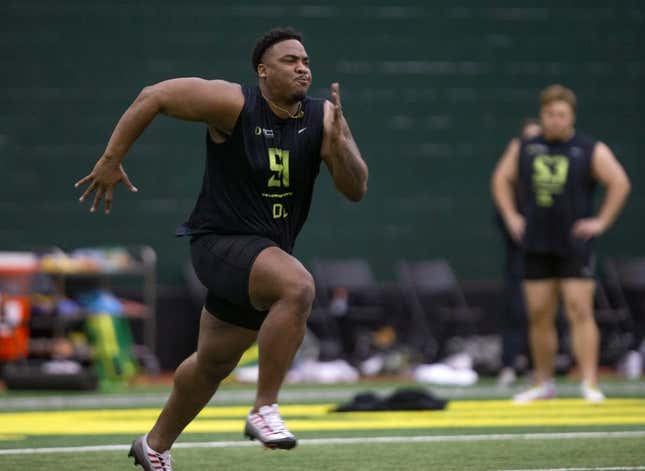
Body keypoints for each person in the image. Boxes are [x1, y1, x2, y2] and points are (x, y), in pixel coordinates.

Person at [75, 27, 368, 470]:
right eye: (290, 60)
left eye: (306, 60)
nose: (303, 67)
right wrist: (111, 159)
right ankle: (264, 408)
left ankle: (153, 446)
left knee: (212, 364)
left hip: (261, 258)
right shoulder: (234, 104)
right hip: (219, 244)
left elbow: (356, 189)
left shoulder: (324, 118)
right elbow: (153, 96)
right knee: (298, 287)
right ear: (263, 71)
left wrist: (342, 145)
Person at [491, 84, 630, 403]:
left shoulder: (588, 148)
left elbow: (620, 182)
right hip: (536, 242)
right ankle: (543, 382)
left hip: (573, 244)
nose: (555, 120)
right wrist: (511, 215)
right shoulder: (524, 147)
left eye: (561, 114)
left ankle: (590, 382)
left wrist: (601, 222)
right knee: (539, 312)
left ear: (572, 117)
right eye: (550, 114)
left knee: (579, 310)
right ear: (542, 115)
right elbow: (501, 179)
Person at [494, 118, 541, 387]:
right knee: (515, 306)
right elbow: (500, 183)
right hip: (520, 252)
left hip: (549, 251)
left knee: (544, 310)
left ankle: (540, 365)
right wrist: (512, 219)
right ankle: (510, 363)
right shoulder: (512, 171)